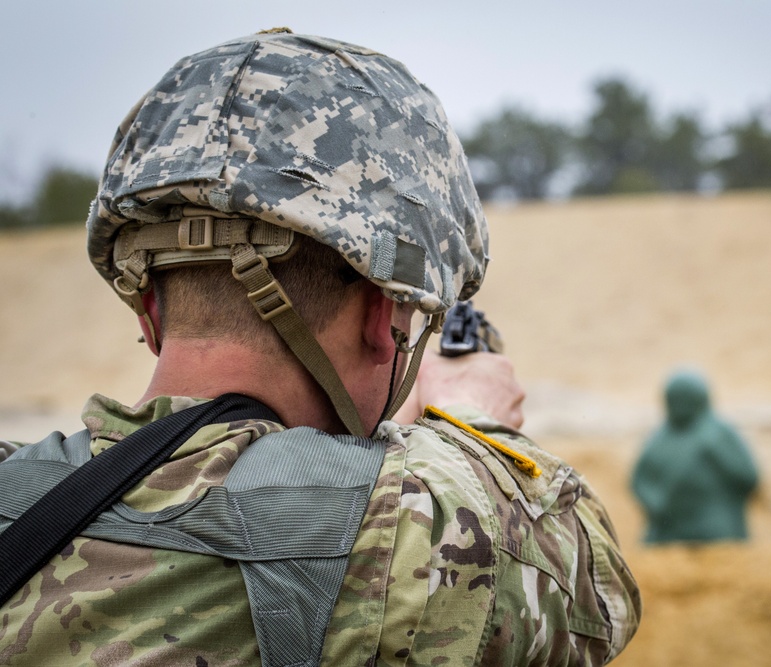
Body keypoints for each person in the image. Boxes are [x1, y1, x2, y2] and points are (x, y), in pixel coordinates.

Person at [0, 30, 640, 665]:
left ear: (148, 309)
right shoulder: (397, 536)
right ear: (381, 314)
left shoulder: (14, 489)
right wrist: (468, 417)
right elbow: (595, 584)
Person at [631, 369, 759, 544]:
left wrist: (715, 453)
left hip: (715, 530)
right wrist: (654, 503)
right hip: (669, 532)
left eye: (685, 399)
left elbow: (748, 478)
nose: (680, 405)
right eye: (675, 399)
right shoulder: (659, 439)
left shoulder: (719, 433)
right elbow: (640, 480)